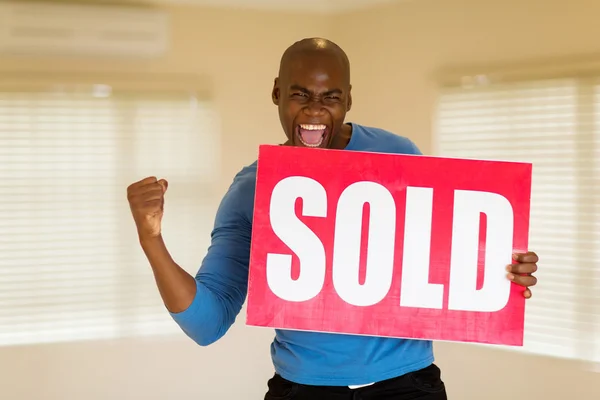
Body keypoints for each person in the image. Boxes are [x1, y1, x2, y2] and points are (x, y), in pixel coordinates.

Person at [126, 38, 539, 399]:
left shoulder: (398, 156)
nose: (315, 111)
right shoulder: (252, 189)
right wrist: (152, 241)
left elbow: (446, 262)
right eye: (301, 95)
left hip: (408, 386)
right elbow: (206, 323)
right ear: (276, 92)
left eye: (330, 98)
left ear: (348, 100)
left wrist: (504, 270)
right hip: (304, 390)